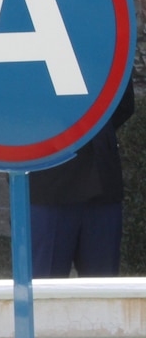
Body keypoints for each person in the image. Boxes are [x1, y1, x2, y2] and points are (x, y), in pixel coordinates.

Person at [29, 78, 135, 278]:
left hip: (98, 182)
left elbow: (123, 102)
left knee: (101, 294)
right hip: (48, 185)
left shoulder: (108, 46)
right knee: (44, 296)